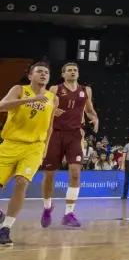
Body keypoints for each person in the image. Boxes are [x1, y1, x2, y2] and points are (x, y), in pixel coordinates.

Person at [0, 62, 58, 246]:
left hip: (34, 147)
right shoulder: (19, 89)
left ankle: (6, 229)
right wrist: (28, 100)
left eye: (47, 72)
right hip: (10, 144)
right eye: (39, 71)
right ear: (30, 76)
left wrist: (45, 149)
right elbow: (2, 106)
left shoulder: (52, 98)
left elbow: (49, 127)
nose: (43, 74)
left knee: (21, 183)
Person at [39, 62, 99, 228]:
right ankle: (47, 207)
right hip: (55, 134)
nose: (73, 72)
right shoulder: (54, 89)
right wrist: (50, 109)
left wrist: (95, 117)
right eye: (69, 70)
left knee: (75, 173)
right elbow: (43, 106)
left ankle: (69, 213)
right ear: (63, 74)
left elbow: (89, 110)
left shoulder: (86, 90)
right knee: (49, 174)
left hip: (74, 134)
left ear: (78, 74)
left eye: (75, 70)